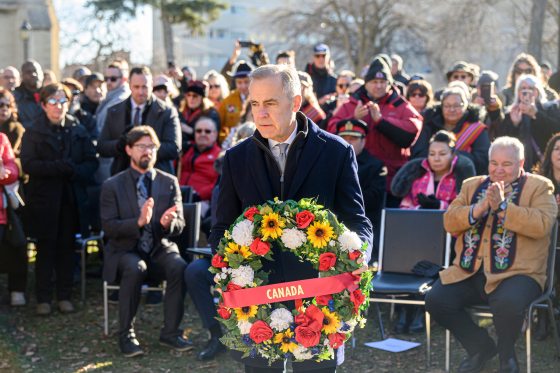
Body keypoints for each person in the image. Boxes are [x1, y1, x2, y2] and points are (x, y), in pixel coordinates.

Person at [207, 64, 372, 372]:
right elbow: (221, 226)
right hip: (258, 299)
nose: (261, 113)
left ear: (295, 103)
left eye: (270, 103)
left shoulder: (336, 152)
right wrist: (226, 268)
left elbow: (357, 220)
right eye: (255, 104)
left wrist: (356, 253)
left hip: (318, 300)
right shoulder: (236, 158)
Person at [425, 136, 558, 373]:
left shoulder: (540, 186)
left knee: (507, 302)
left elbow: (543, 225)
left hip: (520, 273)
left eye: (507, 164)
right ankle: (481, 348)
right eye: (494, 163)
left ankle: (507, 356)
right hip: (469, 270)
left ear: (521, 162)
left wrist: (504, 207)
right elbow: (449, 221)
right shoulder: (471, 185)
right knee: (436, 300)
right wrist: (478, 208)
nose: (499, 170)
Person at [100, 126, 189, 357]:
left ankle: (171, 332)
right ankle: (126, 335)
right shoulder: (112, 185)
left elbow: (179, 225)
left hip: (159, 247)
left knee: (179, 265)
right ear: (129, 149)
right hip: (124, 250)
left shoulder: (169, 182)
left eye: (152, 147)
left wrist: (168, 223)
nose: (147, 151)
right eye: (142, 146)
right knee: (134, 267)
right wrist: (138, 222)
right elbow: (108, 227)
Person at [21, 83, 98, 315]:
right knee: (45, 248)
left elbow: (91, 162)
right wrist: (56, 167)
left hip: (70, 199)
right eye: (53, 102)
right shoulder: (33, 132)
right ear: (43, 105)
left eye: (62, 101)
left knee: (67, 247)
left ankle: (64, 295)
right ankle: (43, 297)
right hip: (44, 199)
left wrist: (73, 171)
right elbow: (29, 164)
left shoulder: (78, 129)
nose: (58, 106)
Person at [391, 130, 475, 334]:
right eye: (432, 153)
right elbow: (406, 203)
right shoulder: (418, 173)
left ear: (453, 154)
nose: (436, 158)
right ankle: (405, 309)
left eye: (442, 153)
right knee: (408, 257)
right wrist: (418, 210)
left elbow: (464, 208)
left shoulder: (460, 178)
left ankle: (422, 310)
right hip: (418, 234)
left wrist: (439, 205)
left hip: (451, 238)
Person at [328, 57, 422, 207]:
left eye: (382, 82)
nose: (378, 86)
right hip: (356, 176)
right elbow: (330, 129)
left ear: (389, 83)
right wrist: (353, 119)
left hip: (391, 180)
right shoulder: (352, 103)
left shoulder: (400, 104)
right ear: (366, 83)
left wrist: (381, 121)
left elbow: (412, 130)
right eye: (374, 82)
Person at [98, 66, 181, 176]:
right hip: (122, 176)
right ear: (129, 85)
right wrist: (120, 145)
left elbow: (173, 148)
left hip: (156, 177)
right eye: (136, 87)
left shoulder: (167, 112)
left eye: (144, 87)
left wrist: (145, 149)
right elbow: (102, 147)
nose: (140, 92)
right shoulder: (114, 111)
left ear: (151, 85)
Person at [335, 118, 386, 259]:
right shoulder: (329, 163)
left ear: (363, 141)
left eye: (353, 138)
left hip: (361, 226)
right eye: (343, 138)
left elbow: (374, 199)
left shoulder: (376, 166)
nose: (348, 141)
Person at [413, 86, 490, 175]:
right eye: (447, 106)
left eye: (456, 105)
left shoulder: (477, 129)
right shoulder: (430, 125)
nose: (452, 110)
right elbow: (418, 154)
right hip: (430, 177)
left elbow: (482, 161)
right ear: (441, 107)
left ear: (465, 106)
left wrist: (452, 157)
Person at [491, 74, 560, 172]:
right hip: (518, 166)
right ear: (518, 92)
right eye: (523, 89)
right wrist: (514, 124)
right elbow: (502, 140)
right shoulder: (510, 112)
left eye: (531, 88)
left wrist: (536, 114)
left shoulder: (549, 109)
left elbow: (556, 131)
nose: (527, 92)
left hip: (545, 165)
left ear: (537, 91)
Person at [0, 89, 24, 306]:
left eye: (6, 105)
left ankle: (16, 291)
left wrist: (5, 173)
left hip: (3, 211)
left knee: (13, 248)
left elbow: (12, 169)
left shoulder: (3, 138)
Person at [535, 133, 560, 341]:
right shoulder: (539, 183)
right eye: (557, 148)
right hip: (543, 239)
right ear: (550, 153)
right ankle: (542, 318)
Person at [178, 116, 221, 203]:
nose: (203, 134)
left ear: (215, 134)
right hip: (179, 196)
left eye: (207, 131)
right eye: (198, 131)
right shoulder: (186, 149)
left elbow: (219, 184)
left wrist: (199, 195)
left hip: (204, 201)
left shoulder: (220, 156)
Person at [217, 61, 253, 142]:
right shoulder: (227, 101)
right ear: (235, 82)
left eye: (246, 82)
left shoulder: (260, 99)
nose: (243, 86)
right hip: (231, 142)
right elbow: (218, 126)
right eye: (239, 82)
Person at [177, 80, 220, 146]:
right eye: (189, 95)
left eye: (195, 96)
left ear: (202, 98)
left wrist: (190, 130)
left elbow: (212, 137)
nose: (191, 98)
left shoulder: (211, 114)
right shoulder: (181, 113)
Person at [13, 60, 44, 129]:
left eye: (35, 71)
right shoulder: (14, 98)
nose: (33, 74)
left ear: (42, 74)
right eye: (28, 72)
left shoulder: (50, 95)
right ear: (22, 76)